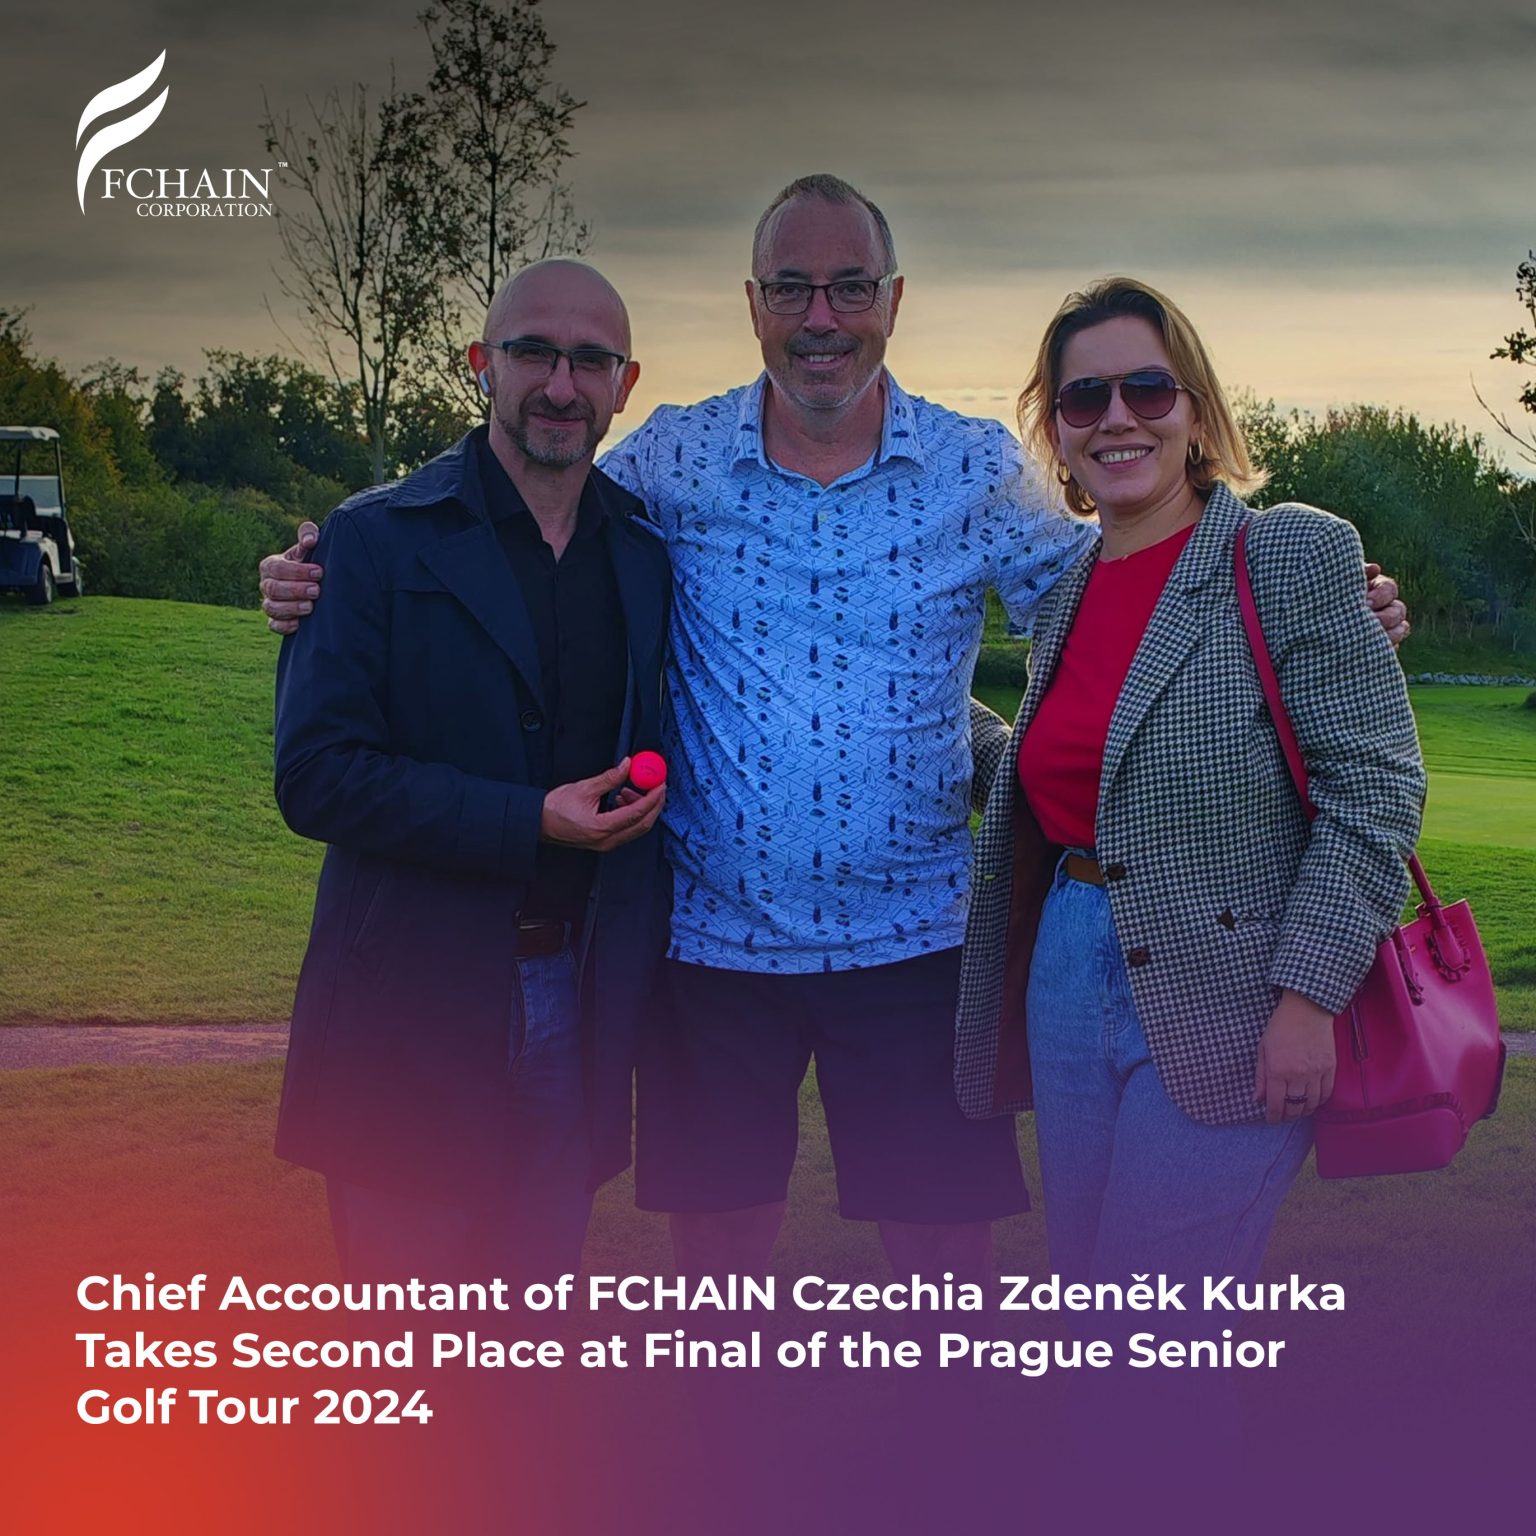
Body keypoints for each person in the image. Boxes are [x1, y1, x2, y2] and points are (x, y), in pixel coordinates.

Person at [262, 176, 1409, 1285]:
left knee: (943, 1278)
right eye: (793, 288)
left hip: (918, 943)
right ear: (753, 303)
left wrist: (1313, 598)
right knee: (719, 1285)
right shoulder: (672, 456)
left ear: (893, 301)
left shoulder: (975, 469)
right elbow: (527, 486)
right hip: (712, 946)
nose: (822, 316)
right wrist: (333, 554)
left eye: (851, 286)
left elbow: (1133, 583)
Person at [954, 276, 1426, 1294]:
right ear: (1058, 431)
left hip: (1236, 992)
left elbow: (1375, 791)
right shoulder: (1066, 595)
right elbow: (1074, 782)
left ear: (1199, 411)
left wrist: (1308, 998)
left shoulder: (1290, 551)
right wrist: (929, 718)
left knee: (1154, 1321)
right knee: (1090, 1299)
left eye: (1148, 389)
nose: (1117, 417)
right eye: (1085, 397)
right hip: (1068, 972)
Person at [272, 260, 670, 1287]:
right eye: (534, 353)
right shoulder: (370, 539)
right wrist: (529, 819)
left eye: (591, 361)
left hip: (576, 998)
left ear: (625, 384)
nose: (561, 386)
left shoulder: (644, 552)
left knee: (530, 1340)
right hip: (407, 1002)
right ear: (481, 363)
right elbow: (315, 776)